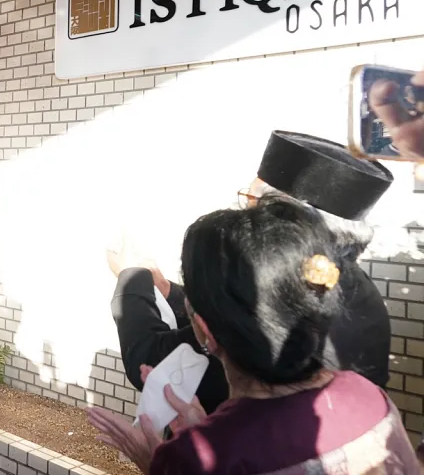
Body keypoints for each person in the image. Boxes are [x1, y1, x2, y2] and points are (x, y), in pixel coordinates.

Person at [89, 196, 418, 473]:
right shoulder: (366, 394)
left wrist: (158, 463)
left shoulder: (206, 456)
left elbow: (147, 353)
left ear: (205, 333)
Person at [109, 130, 393, 414]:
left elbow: (149, 361)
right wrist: (169, 292)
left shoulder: (280, 299)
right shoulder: (346, 283)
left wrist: (131, 278)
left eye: (254, 203)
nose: (244, 213)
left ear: (291, 222)